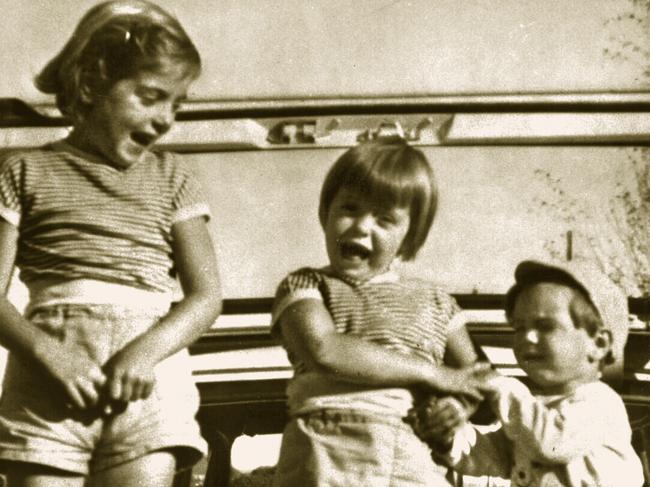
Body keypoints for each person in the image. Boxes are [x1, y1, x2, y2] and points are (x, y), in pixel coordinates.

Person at [0, 1, 222, 486]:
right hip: (48, 379)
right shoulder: (23, 170)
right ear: (92, 82)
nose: (165, 119)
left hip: (150, 381)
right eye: (150, 96)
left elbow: (206, 297)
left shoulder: (173, 176)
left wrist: (145, 352)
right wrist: (47, 352)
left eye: (176, 104)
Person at [270, 136, 492, 487]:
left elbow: (477, 377)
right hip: (325, 450)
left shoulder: (437, 302)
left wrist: (458, 408)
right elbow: (324, 350)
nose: (361, 226)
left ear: (410, 236)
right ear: (325, 213)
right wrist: (435, 375)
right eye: (350, 208)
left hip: (414, 454)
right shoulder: (304, 285)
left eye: (384, 219)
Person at [410, 259, 645, 487]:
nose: (527, 337)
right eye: (519, 327)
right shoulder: (534, 413)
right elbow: (492, 456)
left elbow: (552, 444)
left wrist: (501, 386)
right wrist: (448, 439)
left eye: (545, 326)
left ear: (599, 344)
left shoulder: (600, 404)